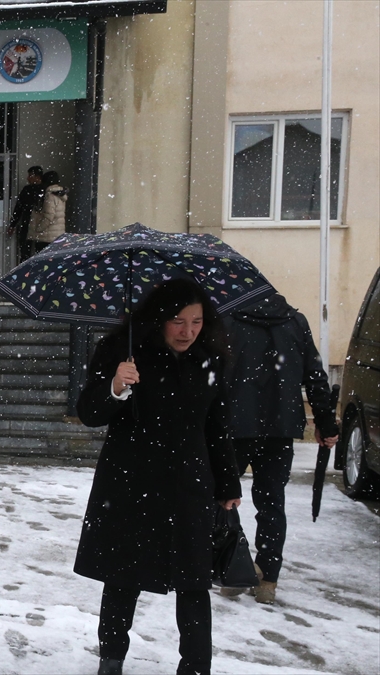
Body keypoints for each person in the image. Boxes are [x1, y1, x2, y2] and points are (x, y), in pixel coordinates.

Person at [75, 279, 242, 675]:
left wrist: (228, 484)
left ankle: (197, 666)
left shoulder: (210, 360)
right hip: (131, 483)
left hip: (189, 486)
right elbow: (88, 413)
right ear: (158, 319)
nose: (188, 331)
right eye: (178, 321)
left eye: (197, 321)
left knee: (194, 583)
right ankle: (111, 660)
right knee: (122, 579)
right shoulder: (123, 351)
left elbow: (216, 427)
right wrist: (116, 386)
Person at [223, 294, 339, 605]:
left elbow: (215, 377)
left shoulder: (229, 320)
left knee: (222, 497)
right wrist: (325, 423)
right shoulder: (295, 322)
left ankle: (237, 564)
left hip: (236, 425)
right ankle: (268, 576)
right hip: (281, 426)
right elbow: (314, 376)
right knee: (272, 500)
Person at [6, 166, 45, 262]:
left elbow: (19, 208)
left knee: (25, 252)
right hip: (40, 226)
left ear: (37, 177)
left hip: (28, 224)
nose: (28, 178)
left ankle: (26, 272)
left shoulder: (28, 190)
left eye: (30, 175)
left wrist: (13, 224)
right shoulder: (46, 190)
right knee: (39, 252)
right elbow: (19, 207)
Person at [27, 170, 67, 253]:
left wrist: (38, 229)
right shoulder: (60, 194)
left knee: (42, 261)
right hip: (58, 235)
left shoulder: (50, 195)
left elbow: (49, 216)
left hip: (47, 237)